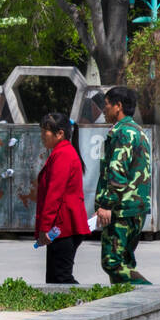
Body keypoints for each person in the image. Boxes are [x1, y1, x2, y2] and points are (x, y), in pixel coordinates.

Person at [95, 86, 152, 285]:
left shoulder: (123, 133)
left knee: (112, 262)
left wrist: (106, 204)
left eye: (107, 104)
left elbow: (117, 172)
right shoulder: (137, 131)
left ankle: (152, 294)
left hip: (123, 210)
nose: (104, 109)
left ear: (118, 106)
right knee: (125, 262)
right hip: (135, 208)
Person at [34, 113, 89, 284]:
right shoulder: (60, 152)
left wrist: (45, 227)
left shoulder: (63, 154)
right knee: (54, 278)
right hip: (62, 226)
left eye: (46, 132)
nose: (43, 136)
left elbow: (54, 194)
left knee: (61, 277)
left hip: (64, 226)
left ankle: (86, 306)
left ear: (60, 134)